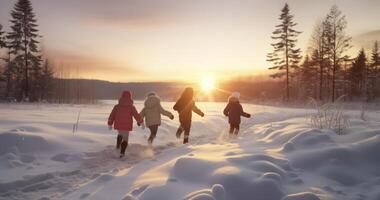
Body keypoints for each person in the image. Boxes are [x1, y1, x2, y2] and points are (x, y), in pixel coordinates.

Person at [108, 91, 143, 158]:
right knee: (125, 139)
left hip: (118, 125)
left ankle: (118, 146)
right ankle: (122, 153)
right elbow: (136, 116)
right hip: (127, 126)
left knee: (120, 134)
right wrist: (141, 121)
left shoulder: (117, 106)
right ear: (130, 97)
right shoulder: (131, 107)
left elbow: (112, 115)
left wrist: (110, 123)